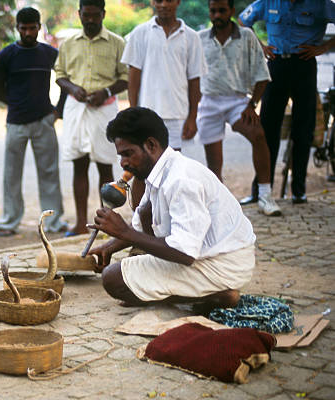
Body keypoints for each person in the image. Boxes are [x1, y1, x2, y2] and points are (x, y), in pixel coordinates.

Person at [88, 107, 256, 310]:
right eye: (120, 156)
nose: (123, 163)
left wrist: (124, 231)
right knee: (145, 214)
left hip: (224, 265)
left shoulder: (181, 180)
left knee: (113, 279)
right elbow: (142, 225)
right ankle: (190, 292)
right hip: (208, 256)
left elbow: (184, 253)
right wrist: (109, 247)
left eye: (128, 154)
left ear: (151, 145)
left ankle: (219, 295)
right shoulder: (159, 170)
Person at [239, 0, 335, 205]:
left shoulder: (320, 4)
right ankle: (261, 191)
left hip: (304, 65)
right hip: (276, 65)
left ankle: (299, 191)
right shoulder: (268, 2)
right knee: (266, 130)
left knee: (304, 129)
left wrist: (323, 48)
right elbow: (242, 21)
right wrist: (260, 46)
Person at [197, 0, 281, 216]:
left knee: (258, 135)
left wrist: (251, 104)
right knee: (214, 161)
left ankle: (265, 195)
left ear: (232, 12)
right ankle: (218, 204)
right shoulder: (200, 39)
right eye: (213, 11)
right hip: (209, 102)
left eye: (222, 11)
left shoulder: (246, 37)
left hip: (237, 100)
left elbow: (263, 76)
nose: (217, 15)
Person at [121, 0, 205, 209]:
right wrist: (134, 115)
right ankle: (138, 225)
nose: (164, 4)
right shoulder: (139, 33)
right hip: (146, 116)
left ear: (177, 2)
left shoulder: (192, 37)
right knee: (141, 171)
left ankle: (165, 223)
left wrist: (192, 117)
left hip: (177, 116)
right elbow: (134, 79)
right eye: (159, 0)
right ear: (152, 2)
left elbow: (195, 81)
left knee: (170, 172)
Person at [54, 0, 128, 236]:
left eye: (96, 15)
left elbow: (125, 77)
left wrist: (105, 92)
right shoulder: (69, 43)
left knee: (105, 166)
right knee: (79, 164)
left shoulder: (117, 42)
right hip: (76, 108)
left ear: (103, 14)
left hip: (105, 110)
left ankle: (103, 224)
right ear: (80, 14)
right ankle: (79, 224)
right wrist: (73, 89)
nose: (91, 20)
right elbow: (60, 75)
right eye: (87, 15)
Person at [0, 7, 66, 237]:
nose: (28, 32)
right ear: (17, 29)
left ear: (39, 27)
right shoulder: (5, 56)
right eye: (23, 28)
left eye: (32, 28)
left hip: (45, 120)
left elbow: (65, 81)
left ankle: (53, 223)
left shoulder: (49, 53)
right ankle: (9, 221)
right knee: (11, 174)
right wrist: (17, 105)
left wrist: (57, 111)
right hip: (15, 123)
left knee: (49, 173)